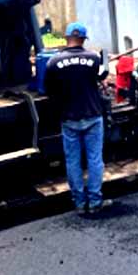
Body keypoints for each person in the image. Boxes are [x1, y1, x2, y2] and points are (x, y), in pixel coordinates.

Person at [43, 22, 111, 215]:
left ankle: (80, 203)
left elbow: (48, 90)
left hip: (69, 117)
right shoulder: (93, 58)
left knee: (73, 161)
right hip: (92, 115)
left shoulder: (53, 62)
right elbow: (102, 77)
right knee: (94, 160)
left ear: (66, 38)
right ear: (83, 39)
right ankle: (95, 201)